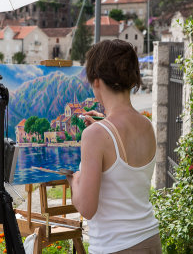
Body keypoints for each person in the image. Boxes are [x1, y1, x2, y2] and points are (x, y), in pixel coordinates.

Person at [66, 39, 161, 254]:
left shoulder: (95, 135)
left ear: (97, 81)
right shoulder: (147, 125)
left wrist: (75, 180)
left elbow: (87, 209)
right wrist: (104, 121)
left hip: (116, 246)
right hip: (150, 239)